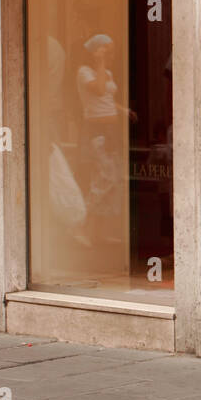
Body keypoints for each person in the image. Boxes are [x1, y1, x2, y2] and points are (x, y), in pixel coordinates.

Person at [76, 34, 135, 245]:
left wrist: (123, 110)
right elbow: (99, 90)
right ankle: (80, 225)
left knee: (111, 177)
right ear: (94, 51)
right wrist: (99, 63)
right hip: (96, 130)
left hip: (110, 130)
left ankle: (99, 231)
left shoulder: (107, 73)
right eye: (105, 50)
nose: (109, 55)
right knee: (104, 178)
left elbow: (107, 98)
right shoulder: (84, 72)